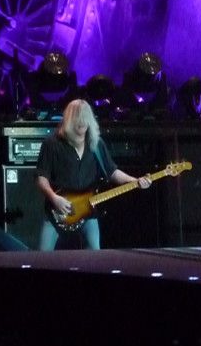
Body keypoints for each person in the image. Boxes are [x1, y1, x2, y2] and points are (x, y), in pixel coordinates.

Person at [35, 99, 151, 250]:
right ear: (69, 120)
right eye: (78, 119)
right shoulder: (52, 144)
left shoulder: (96, 144)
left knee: (95, 253)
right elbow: (41, 178)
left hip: (88, 212)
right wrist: (54, 198)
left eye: (85, 118)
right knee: (43, 256)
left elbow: (112, 172)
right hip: (56, 212)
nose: (82, 123)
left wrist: (135, 181)